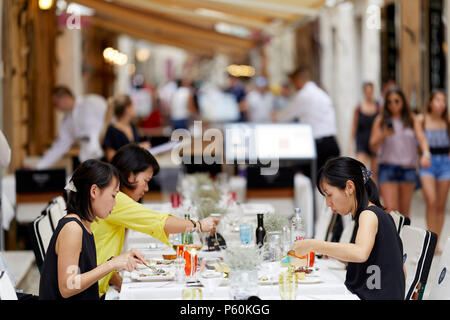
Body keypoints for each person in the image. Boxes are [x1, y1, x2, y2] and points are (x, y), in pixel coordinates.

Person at [91, 144, 220, 296]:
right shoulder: (115, 199)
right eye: (145, 181)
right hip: (93, 292)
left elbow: (100, 249)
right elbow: (159, 221)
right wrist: (199, 225)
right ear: (130, 176)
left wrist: (115, 279)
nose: (146, 189)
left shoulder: (113, 197)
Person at [294, 157, 405, 300]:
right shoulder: (373, 214)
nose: (328, 203)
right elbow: (396, 269)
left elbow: (360, 253)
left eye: (329, 195)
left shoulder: (368, 214)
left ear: (349, 187)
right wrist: (337, 254)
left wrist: (314, 245)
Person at [39, 159, 146, 300]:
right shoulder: (73, 228)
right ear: (94, 191)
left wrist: (116, 262)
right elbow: (67, 287)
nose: (114, 204)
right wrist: (111, 264)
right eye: (113, 196)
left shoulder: (84, 225)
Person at [370, 88, 427, 217]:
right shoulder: (381, 120)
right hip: (387, 168)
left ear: (403, 101)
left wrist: (426, 153)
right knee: (391, 210)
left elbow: (421, 138)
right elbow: (372, 146)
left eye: (396, 101)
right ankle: (391, 237)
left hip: (408, 168)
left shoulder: (411, 119)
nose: (393, 105)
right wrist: (384, 135)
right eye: (389, 102)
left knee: (405, 212)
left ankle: (402, 238)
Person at [274, 66, 340, 171]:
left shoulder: (303, 95)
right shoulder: (321, 93)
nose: (293, 86)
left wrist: (274, 116)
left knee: (312, 179)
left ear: (298, 80)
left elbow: (282, 117)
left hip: (318, 145)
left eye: (293, 82)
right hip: (331, 143)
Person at [36, 86, 107, 170]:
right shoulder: (67, 121)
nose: (56, 108)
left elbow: (111, 119)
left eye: (56, 103)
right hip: (87, 158)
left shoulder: (92, 102)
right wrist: (39, 167)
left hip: (105, 152)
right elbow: (61, 145)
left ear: (65, 97)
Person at [415, 90, 450, 254]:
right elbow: (421, 139)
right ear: (430, 102)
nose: (441, 104)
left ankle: (436, 242)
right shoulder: (421, 119)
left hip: (445, 163)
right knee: (432, 201)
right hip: (428, 162)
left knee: (441, 205)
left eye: (443, 101)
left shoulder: (447, 120)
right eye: (438, 100)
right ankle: (431, 238)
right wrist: (426, 154)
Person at [102, 94, 151, 162]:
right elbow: (111, 158)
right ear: (127, 109)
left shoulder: (132, 126)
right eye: (133, 105)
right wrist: (137, 148)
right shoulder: (112, 130)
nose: (135, 108)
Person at [351, 82, 381, 182]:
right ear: (364, 92)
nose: (369, 93)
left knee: (374, 172)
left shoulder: (378, 107)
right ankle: (364, 191)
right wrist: (351, 142)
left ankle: (373, 195)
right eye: (367, 91)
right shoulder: (358, 108)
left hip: (374, 140)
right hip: (362, 140)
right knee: (362, 170)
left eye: (370, 91)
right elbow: (354, 125)